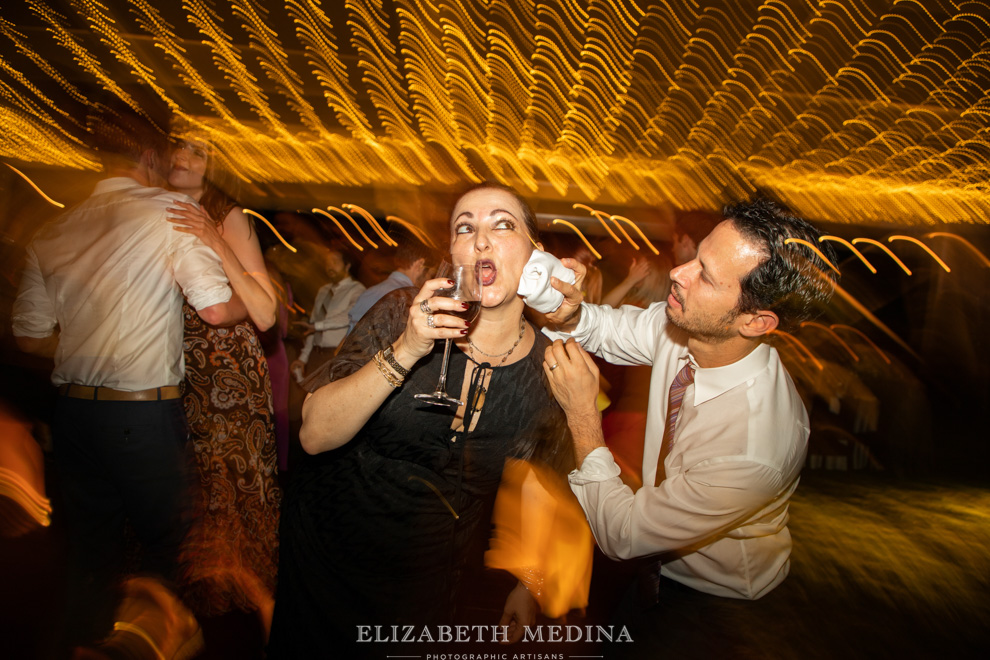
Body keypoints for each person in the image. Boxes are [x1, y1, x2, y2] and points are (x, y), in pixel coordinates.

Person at [268, 183, 579, 658]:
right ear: (452, 253)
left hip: (428, 581)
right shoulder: (400, 315)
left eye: (502, 224)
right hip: (329, 561)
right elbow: (313, 434)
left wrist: (528, 584)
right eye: (465, 227)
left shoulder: (547, 367)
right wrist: (410, 347)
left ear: (536, 253)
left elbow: (542, 479)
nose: (480, 239)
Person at [541, 199, 837, 656]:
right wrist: (568, 309)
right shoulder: (691, 325)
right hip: (647, 576)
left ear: (756, 322)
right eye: (695, 255)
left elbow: (622, 534)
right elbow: (604, 328)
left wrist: (583, 415)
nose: (679, 272)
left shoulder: (752, 446)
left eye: (707, 275)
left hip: (717, 611)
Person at [10, 100, 239, 648]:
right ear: (148, 156)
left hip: (73, 416)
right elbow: (213, 309)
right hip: (142, 416)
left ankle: (82, 642)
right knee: (170, 548)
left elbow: (29, 334)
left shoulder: (56, 227)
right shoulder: (169, 212)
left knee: (90, 552)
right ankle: (145, 644)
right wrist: (253, 301)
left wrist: (90, 340)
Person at [165, 137, 282, 634]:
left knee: (234, 480)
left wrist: (215, 243)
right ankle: (195, 599)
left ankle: (263, 605)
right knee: (193, 483)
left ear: (217, 167)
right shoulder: (151, 204)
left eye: (199, 153)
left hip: (227, 367)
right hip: (177, 367)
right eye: (178, 146)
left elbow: (263, 303)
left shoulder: (226, 213)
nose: (183, 159)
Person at [290, 246, 365, 378]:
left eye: (335, 262)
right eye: (327, 263)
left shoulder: (357, 289)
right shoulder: (323, 290)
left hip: (336, 354)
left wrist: (318, 326)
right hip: (316, 354)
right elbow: (313, 323)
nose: (330, 267)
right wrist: (303, 358)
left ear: (347, 266)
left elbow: (349, 315)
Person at [347, 239, 435, 333]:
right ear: (419, 264)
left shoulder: (369, 292)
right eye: (430, 274)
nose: (429, 279)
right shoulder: (410, 298)